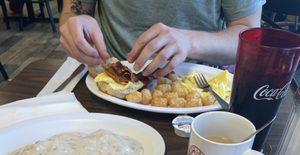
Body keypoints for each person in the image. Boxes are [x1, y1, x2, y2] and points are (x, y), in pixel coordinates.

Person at [59, 0, 265, 78]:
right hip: (111, 86)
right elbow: (73, 12)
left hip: (200, 88)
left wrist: (190, 41)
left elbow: (249, 37)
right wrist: (75, 24)